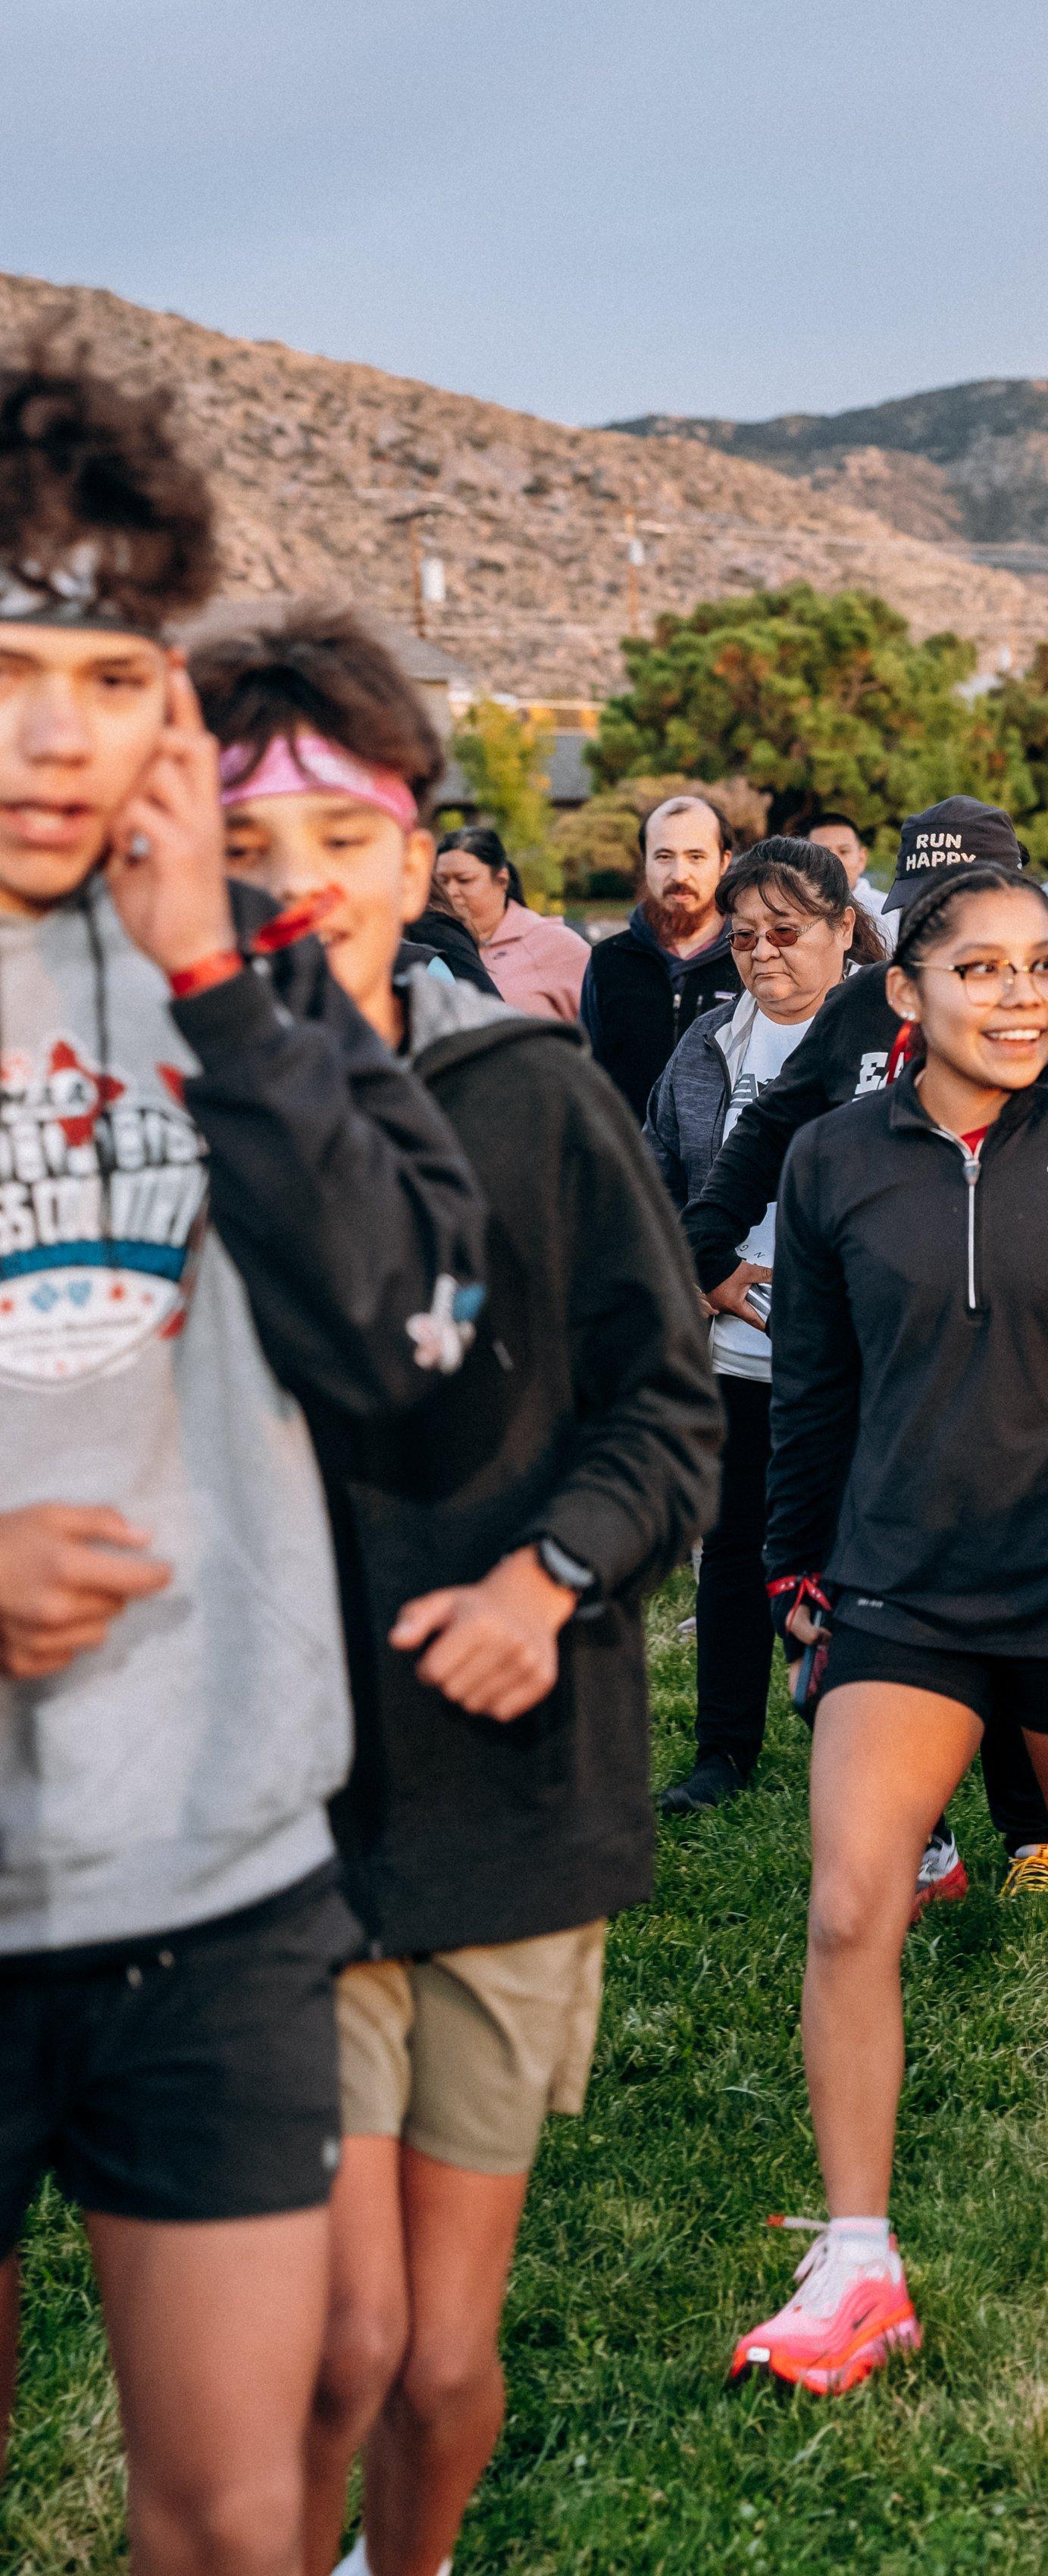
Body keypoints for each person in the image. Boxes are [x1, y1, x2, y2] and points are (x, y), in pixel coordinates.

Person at [0, 355, 487, 2576]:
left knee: (229, 2512)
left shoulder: (249, 983)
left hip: (207, 1865)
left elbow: (413, 1351)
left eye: (109, 673)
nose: (55, 735)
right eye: (10, 672)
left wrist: (209, 971)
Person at [191, 604, 722, 2576]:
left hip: (512, 1798)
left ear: (421, 857)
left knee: (440, 2366)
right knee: (339, 2344)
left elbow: (669, 1415)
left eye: (340, 838)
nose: (295, 886)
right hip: (264, 1819)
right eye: (245, 844)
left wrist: (547, 1576)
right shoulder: (151, 1121)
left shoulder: (533, 1095)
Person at [734, 864, 1048, 2393]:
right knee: (849, 1904)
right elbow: (809, 1384)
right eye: (984, 970)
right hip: (898, 1592)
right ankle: (859, 2253)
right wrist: (790, 1567)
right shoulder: (829, 1159)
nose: (1023, 996)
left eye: (1047, 968)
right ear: (907, 994)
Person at [680, 796, 1048, 1904]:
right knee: (883, 1595)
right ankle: (929, 1835)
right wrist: (704, 1244)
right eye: (928, 901)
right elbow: (762, 1132)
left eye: (967, 895)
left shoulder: (1042, 1004)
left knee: (1006, 1586)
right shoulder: (862, 1010)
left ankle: (1033, 1830)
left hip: (1004, 1362)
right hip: (865, 1359)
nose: (946, 917)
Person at [644, 840, 886, 1812]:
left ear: (841, 930)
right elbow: (654, 1171)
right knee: (734, 1545)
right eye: (741, 936)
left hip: (870, 1352)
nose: (762, 954)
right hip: (739, 1346)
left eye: (786, 932)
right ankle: (722, 1750)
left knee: (873, 1548)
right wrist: (699, 1272)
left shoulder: (887, 1023)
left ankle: (892, 1745)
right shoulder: (708, 1042)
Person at [580, 793, 743, 1114]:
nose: (679, 875)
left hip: (729, 1159)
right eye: (664, 857)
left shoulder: (750, 957)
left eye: (696, 857)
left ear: (724, 861)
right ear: (645, 861)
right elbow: (589, 1074)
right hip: (632, 1158)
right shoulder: (608, 961)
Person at [433, 826, 591, 1023]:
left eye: (464, 880)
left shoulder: (555, 943)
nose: (450, 892)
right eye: (442, 882)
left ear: (502, 880)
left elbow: (605, 1028)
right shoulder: (429, 945)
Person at [402, 877, 499, 996]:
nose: (452, 890)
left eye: (464, 880)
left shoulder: (431, 930)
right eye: (445, 881)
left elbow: (485, 1000)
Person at [805, 811, 887, 919]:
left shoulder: (890, 911)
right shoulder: (794, 909)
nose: (835, 860)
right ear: (806, 861)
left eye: (844, 851)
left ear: (861, 859)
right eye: (823, 852)